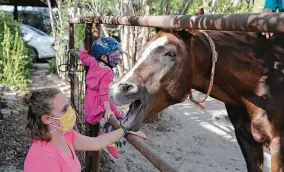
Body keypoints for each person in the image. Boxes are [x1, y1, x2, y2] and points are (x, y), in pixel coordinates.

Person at [23, 88, 147, 172]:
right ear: (46, 119)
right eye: (64, 109)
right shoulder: (42, 159)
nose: (70, 111)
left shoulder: (65, 134)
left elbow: (96, 143)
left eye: (69, 105)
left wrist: (125, 128)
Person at [79, 37, 147, 160]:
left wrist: (82, 45)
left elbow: (83, 57)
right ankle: (108, 139)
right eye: (114, 55)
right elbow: (103, 93)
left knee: (117, 113)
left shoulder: (93, 61)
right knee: (116, 117)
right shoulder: (108, 72)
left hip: (90, 99)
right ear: (104, 57)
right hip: (99, 103)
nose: (117, 58)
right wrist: (108, 110)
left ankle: (121, 130)